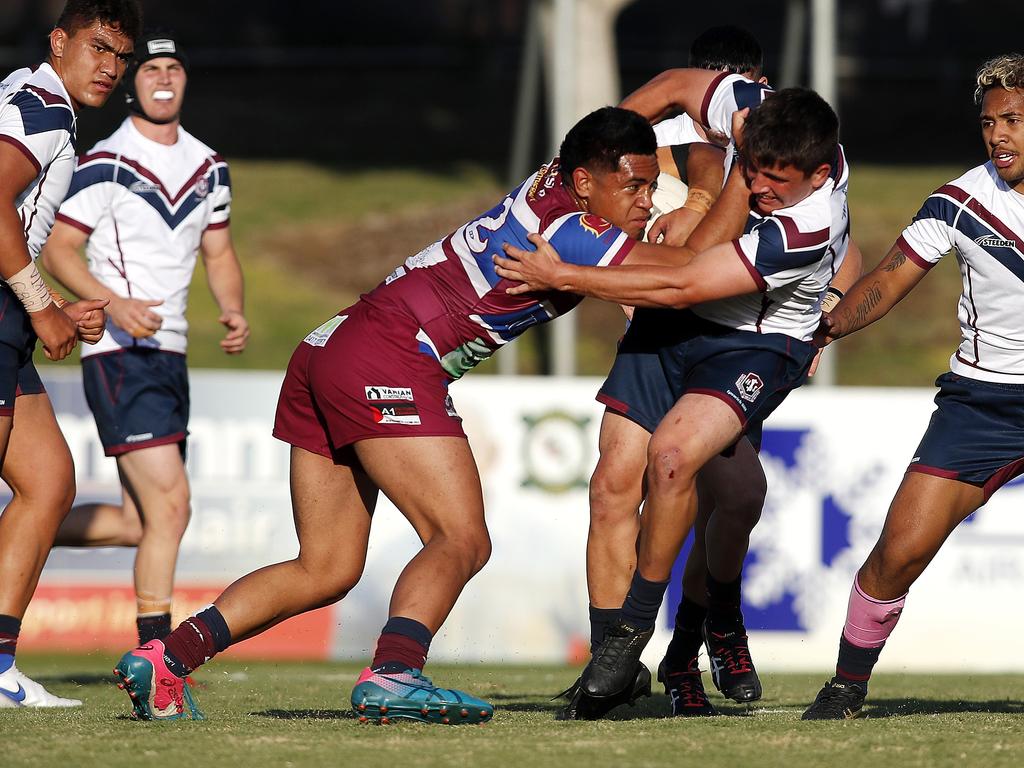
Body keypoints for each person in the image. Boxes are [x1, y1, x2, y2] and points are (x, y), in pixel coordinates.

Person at [111, 105, 705, 723]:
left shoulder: (549, 178)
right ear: (584, 181)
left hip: (329, 347)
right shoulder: (575, 229)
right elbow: (693, 274)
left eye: (648, 184)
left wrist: (686, 144)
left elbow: (631, 125)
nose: (645, 200)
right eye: (633, 186)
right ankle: (395, 673)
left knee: (326, 567)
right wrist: (716, 198)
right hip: (391, 357)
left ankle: (166, 658)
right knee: (462, 539)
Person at [495, 81, 849, 707]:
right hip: (674, 322)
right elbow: (679, 88)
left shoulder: (806, 226)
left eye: (776, 181)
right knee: (611, 485)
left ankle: (650, 630)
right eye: (755, 170)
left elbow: (687, 279)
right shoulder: (752, 119)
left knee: (693, 471)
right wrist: (597, 157)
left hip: (753, 344)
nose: (761, 188)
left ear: (820, 173)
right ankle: (616, 662)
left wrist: (564, 275)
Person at [801, 53, 1024, 720]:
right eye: (989, 123)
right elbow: (890, 277)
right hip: (982, 405)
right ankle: (847, 685)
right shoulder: (960, 203)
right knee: (898, 553)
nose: (998, 135)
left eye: (1014, 119)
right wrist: (827, 328)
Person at [43, 31, 248, 650]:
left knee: (140, 521)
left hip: (171, 354)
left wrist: (233, 309)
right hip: (120, 351)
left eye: (173, 68)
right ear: (134, 81)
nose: (162, 77)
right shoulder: (107, 159)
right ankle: (155, 655)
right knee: (172, 509)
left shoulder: (210, 166)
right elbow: (58, 246)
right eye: (150, 67)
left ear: (186, 80)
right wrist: (118, 305)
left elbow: (219, 250)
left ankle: (19, 530)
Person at [0, 0, 140, 710]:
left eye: (121, 57)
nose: (111, 68)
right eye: (98, 48)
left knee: (49, 481)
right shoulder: (43, 108)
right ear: (59, 41)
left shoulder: (32, 100)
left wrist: (51, 302)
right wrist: (39, 303)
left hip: (8, 310)